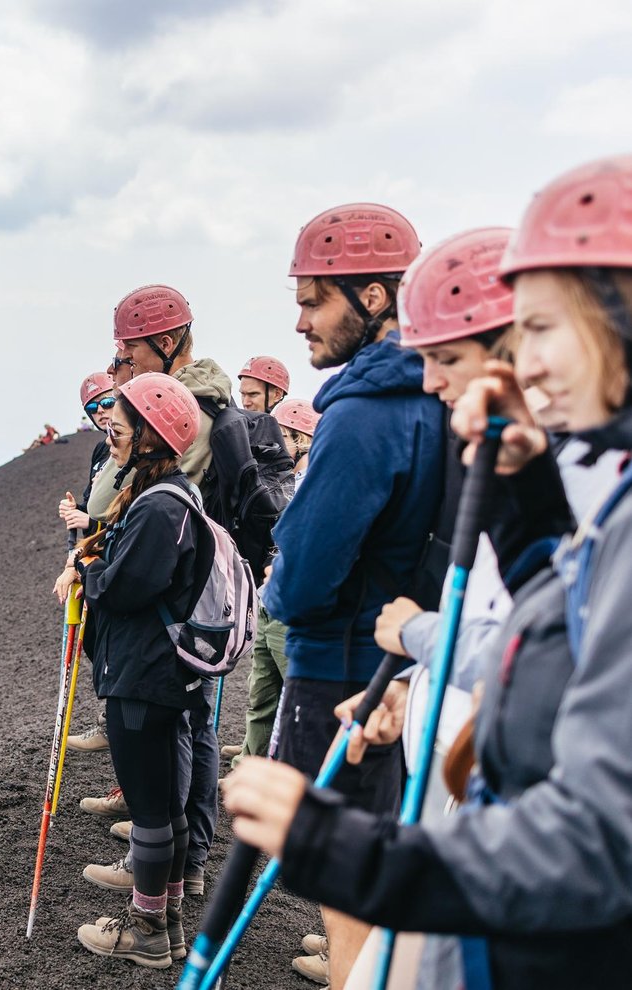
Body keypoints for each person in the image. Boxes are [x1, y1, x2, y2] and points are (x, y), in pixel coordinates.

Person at [224, 155, 632, 989]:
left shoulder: (364, 419)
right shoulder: (592, 482)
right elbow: (564, 635)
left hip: (360, 677)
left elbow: (596, 840)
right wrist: (525, 515)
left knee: (365, 931)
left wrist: (336, 846)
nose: (527, 366)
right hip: (436, 729)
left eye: (543, 329)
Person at [261, 202, 443, 988]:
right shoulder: (437, 392)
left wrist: (282, 581)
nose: (299, 321)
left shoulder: (363, 416)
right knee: (382, 863)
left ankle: (351, 964)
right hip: (404, 663)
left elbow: (301, 578)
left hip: (342, 671)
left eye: (312, 299)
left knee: (344, 884)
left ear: (373, 296)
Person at [83, 284, 229, 897]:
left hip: (161, 637)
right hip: (181, 627)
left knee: (177, 748)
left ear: (166, 343)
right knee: (187, 736)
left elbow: (131, 581)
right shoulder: (194, 416)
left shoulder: (167, 479)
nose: (125, 365)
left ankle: (164, 886)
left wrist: (91, 570)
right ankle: (177, 873)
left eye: (131, 353)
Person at [64, 372, 212, 970]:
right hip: (163, 671)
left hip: (142, 673)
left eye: (120, 427)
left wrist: (88, 574)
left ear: (151, 437)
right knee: (165, 810)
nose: (111, 433)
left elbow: (126, 588)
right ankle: (168, 924)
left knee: (150, 812)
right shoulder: (177, 498)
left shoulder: (157, 508)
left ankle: (146, 933)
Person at [222, 397, 320, 772]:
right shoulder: (283, 480)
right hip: (268, 600)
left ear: (299, 438)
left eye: (282, 437)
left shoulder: (312, 484)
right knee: (261, 692)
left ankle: (292, 774)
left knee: (293, 695)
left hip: (292, 604)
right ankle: (252, 763)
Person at [60, 371, 119, 755]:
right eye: (92, 407)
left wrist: (91, 521)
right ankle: (111, 717)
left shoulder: (131, 448)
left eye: (107, 402)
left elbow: (133, 508)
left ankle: (114, 721)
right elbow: (95, 504)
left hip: (119, 559)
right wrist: (76, 511)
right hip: (96, 558)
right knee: (97, 642)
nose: (101, 412)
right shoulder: (102, 451)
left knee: (115, 646)